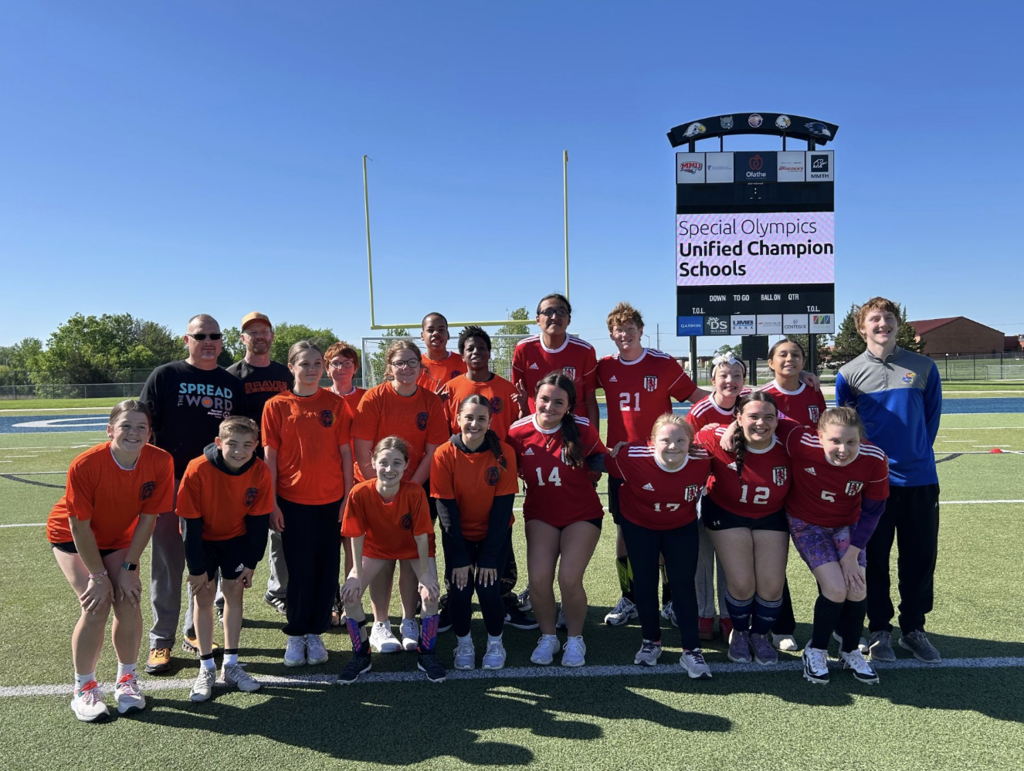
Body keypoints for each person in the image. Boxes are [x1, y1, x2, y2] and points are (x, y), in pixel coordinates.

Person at [47, 400, 174, 721]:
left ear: (150, 433)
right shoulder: (86, 464)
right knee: (96, 603)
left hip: (118, 538)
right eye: (126, 426)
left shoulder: (161, 461)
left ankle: (127, 680)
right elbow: (79, 525)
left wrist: (130, 569)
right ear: (110, 430)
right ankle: (84, 688)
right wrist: (98, 576)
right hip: (73, 536)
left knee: (129, 599)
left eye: (141, 427)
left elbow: (148, 519)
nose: (134, 433)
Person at [836, 297, 943, 664]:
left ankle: (914, 629)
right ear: (862, 328)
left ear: (898, 325)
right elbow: (847, 429)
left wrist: (913, 455)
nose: (883, 324)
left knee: (919, 557)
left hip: (919, 480)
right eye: (875, 319)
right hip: (873, 485)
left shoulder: (924, 367)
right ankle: (880, 628)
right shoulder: (849, 373)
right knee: (875, 559)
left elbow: (930, 422)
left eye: (889, 318)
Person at [139, 313, 246, 674]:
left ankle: (193, 631)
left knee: (203, 563)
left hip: (214, 485)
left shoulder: (230, 383)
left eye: (215, 335)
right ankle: (161, 640)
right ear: (186, 340)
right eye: (200, 335)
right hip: (170, 483)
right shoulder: (166, 375)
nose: (209, 341)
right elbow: (144, 425)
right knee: (168, 564)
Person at [596, 302, 705, 628]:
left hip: (666, 463)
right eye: (619, 330)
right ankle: (630, 597)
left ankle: (670, 601)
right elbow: (574, 389)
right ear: (611, 335)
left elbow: (695, 396)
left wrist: (739, 400)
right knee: (625, 533)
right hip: (624, 466)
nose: (625, 334)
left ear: (641, 331)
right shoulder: (605, 367)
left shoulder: (662, 363)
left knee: (669, 531)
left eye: (631, 328)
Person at [351, 340, 448, 653]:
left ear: (421, 367)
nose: (406, 368)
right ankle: (380, 623)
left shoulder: (431, 402)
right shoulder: (374, 398)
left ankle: (409, 619)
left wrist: (409, 490)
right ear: (388, 367)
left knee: (410, 555)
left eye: (412, 362)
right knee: (380, 555)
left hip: (414, 492)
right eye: (399, 363)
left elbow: (434, 451)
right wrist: (380, 488)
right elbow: (363, 447)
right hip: (375, 488)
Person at [262, 341, 354, 668]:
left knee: (327, 571)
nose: (312, 369)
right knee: (298, 572)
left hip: (330, 502)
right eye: (305, 364)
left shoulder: (335, 403)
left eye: (317, 363)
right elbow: (270, 457)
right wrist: (272, 502)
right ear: (291, 368)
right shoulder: (276, 406)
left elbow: (345, 453)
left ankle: (315, 632)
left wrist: (346, 498)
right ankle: (295, 634)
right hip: (293, 502)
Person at [782, 407, 889, 685]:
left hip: (848, 525)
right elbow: (769, 416)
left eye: (851, 442)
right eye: (835, 441)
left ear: (861, 439)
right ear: (819, 437)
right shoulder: (800, 441)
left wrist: (852, 555)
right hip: (807, 523)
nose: (843, 449)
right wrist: (733, 427)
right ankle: (815, 649)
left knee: (857, 586)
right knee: (835, 588)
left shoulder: (874, 458)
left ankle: (850, 649)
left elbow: (873, 511)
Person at [507, 373, 607, 667]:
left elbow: (601, 460)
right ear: (534, 399)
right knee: (538, 580)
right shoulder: (517, 432)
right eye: (544, 399)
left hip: (582, 515)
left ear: (569, 407)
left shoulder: (583, 429)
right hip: (541, 515)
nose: (549, 406)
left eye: (558, 402)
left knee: (568, 578)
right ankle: (548, 637)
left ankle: (575, 638)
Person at [439, 326, 535, 630]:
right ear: (462, 353)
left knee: (500, 536)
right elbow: (445, 434)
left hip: (498, 471)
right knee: (455, 538)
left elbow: (520, 430)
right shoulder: (451, 389)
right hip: (460, 472)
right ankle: (453, 602)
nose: (476, 352)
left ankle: (505, 602)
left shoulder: (507, 389)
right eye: (470, 348)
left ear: (489, 352)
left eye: (481, 347)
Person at [606, 414, 713, 678]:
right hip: (639, 524)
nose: (673, 446)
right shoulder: (631, 456)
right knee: (644, 581)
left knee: (683, 585)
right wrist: (616, 449)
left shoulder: (703, 459)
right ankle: (650, 641)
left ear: (691, 441)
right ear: (652, 442)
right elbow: (599, 461)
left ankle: (691, 650)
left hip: (681, 525)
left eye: (680, 440)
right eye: (665, 440)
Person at [177, 416, 272, 701]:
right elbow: (189, 526)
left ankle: (230, 664)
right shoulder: (197, 469)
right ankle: (206, 666)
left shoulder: (260, 471)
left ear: (256, 446)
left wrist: (253, 562)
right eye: (232, 444)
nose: (239, 451)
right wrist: (195, 569)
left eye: (247, 445)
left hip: (235, 540)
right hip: (202, 541)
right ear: (219, 443)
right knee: (203, 598)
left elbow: (258, 521)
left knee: (234, 594)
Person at [693, 392, 792, 666]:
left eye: (768, 417)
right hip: (726, 514)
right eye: (753, 416)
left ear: (778, 420)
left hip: (771, 515)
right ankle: (738, 632)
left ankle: (758, 635)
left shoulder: (790, 440)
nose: (761, 423)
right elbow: (678, 441)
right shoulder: (714, 437)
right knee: (742, 584)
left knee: (772, 588)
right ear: (738, 417)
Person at [339, 437, 446, 684]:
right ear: (373, 462)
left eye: (397, 463)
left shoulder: (415, 492)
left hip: (413, 550)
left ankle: (426, 654)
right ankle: (361, 655)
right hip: (376, 550)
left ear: (406, 466)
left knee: (430, 594)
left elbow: (420, 537)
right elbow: (356, 534)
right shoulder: (360, 492)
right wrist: (355, 572)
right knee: (350, 595)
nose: (390, 469)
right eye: (384, 462)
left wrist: (426, 575)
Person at [432, 395, 520, 670]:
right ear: (457, 419)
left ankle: (495, 643)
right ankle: (464, 642)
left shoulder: (503, 453)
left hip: (494, 535)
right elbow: (446, 512)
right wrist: (459, 557)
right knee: (459, 590)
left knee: (489, 588)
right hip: (458, 536)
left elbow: (503, 509)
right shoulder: (443, 454)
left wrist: (489, 558)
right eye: (468, 417)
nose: (474, 423)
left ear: (490, 422)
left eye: (481, 418)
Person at [757, 338, 828, 652]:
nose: (790, 359)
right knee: (776, 562)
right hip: (776, 486)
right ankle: (782, 627)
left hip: (812, 488)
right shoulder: (761, 397)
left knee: (825, 558)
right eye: (782, 354)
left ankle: (835, 622)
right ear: (771, 362)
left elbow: (825, 432)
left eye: (796, 355)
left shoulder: (813, 390)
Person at [227, 312, 293, 618]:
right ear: (243, 338)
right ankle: (223, 595)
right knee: (232, 528)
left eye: (264, 331)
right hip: (242, 464)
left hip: (282, 463)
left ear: (272, 336)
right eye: (252, 332)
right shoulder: (232, 375)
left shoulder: (286, 374)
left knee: (279, 529)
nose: (259, 336)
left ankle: (278, 590)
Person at [685, 353, 748, 644]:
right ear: (712, 380)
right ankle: (704, 614)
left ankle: (728, 616)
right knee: (700, 559)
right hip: (703, 495)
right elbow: (686, 450)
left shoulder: (750, 406)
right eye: (724, 375)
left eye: (737, 375)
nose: (730, 380)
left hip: (737, 498)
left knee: (729, 561)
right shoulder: (699, 412)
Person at [325, 340, 367, 625]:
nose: (341, 368)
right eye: (335, 363)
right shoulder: (319, 397)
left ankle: (351, 601)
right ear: (328, 368)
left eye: (347, 363)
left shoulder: (368, 396)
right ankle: (329, 602)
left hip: (359, 482)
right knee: (328, 548)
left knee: (354, 547)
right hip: (326, 481)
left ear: (355, 367)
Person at [511, 293, 599, 427]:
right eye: (548, 312)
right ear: (537, 319)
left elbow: (590, 399)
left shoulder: (584, 350)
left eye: (561, 312)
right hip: (536, 429)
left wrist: (593, 439)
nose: (554, 317)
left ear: (569, 319)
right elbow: (517, 397)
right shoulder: (524, 348)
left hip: (573, 429)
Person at [417, 312, 464, 391]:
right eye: (430, 330)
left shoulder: (463, 362)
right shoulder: (415, 365)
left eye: (441, 330)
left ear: (448, 335)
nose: (436, 333)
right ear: (422, 335)